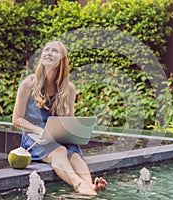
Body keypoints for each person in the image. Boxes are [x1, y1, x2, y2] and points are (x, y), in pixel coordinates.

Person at [12, 40, 107, 195]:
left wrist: (71, 133)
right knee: (59, 151)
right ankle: (78, 185)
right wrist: (41, 131)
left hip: (57, 135)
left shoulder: (69, 89)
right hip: (35, 136)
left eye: (54, 51)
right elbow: (17, 119)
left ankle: (90, 187)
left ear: (62, 61)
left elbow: (68, 121)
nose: (49, 53)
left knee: (74, 154)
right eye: (46, 50)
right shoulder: (28, 84)